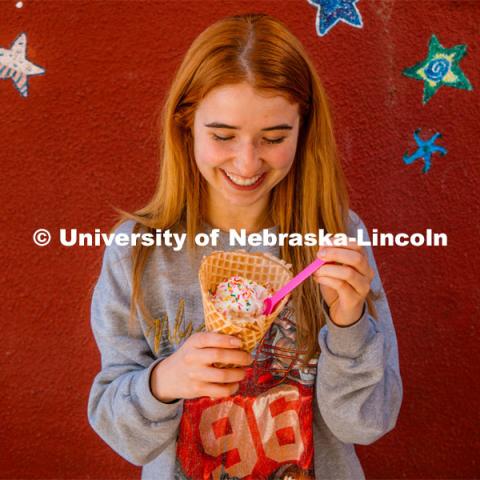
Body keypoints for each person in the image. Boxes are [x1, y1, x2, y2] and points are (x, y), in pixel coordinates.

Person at [87, 12, 403, 480]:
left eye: (274, 137)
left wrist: (349, 324)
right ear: (185, 125)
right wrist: (165, 381)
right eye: (222, 136)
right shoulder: (138, 252)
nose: (247, 161)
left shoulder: (336, 240)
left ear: (303, 130)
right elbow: (122, 434)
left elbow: (365, 424)